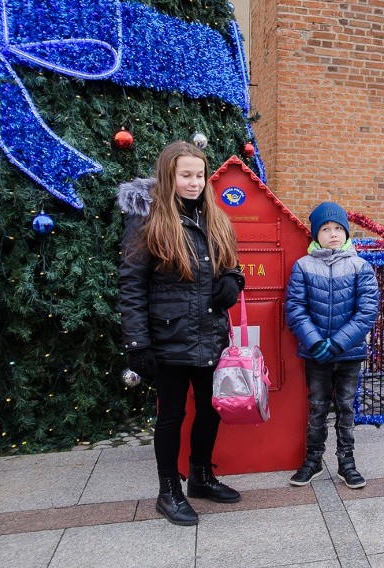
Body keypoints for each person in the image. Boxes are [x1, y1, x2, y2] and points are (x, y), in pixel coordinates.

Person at [118, 141, 245, 526]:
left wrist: (233, 281)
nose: (194, 183)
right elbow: (132, 284)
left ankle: (201, 476)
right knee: (171, 416)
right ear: (168, 176)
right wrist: (137, 344)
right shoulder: (149, 220)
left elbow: (232, 264)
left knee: (210, 409)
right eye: (185, 175)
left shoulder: (214, 217)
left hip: (210, 334)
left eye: (200, 175)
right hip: (169, 337)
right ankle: (168, 489)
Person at [285, 202, 380, 489]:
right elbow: (295, 308)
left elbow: (367, 311)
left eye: (338, 228)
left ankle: (346, 462)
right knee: (316, 407)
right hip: (316, 354)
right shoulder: (303, 266)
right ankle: (313, 460)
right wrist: (314, 342)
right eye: (326, 229)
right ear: (316, 235)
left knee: (346, 407)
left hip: (348, 353)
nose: (333, 233)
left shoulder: (360, 266)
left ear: (346, 232)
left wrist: (338, 343)